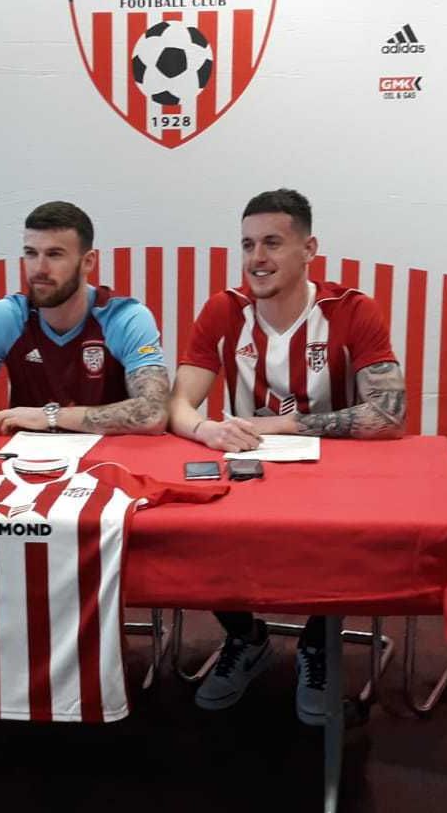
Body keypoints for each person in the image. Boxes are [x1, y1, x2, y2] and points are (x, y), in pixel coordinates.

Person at [168, 188, 406, 724]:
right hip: (247, 468)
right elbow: (177, 406)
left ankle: (318, 646)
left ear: (309, 250)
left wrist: (282, 424)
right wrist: (204, 428)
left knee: (344, 541)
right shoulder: (224, 309)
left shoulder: (351, 309)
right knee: (194, 533)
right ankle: (246, 638)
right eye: (248, 244)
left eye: (272, 243)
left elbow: (389, 415)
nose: (257, 258)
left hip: (334, 473)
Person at [0, 201, 169, 453]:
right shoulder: (7, 316)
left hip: (112, 462)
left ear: (88, 262)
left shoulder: (125, 318)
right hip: (26, 463)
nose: (39, 268)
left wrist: (50, 417)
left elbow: (154, 413)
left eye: (54, 255)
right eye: (31, 253)